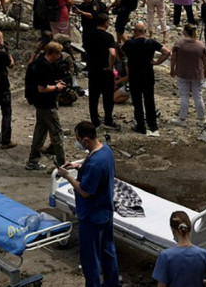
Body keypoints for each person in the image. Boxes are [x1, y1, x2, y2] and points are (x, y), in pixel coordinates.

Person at [56, 121, 119, 287]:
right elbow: (92, 163)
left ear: (85, 139)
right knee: (108, 251)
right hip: (105, 211)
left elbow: (84, 191)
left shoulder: (95, 164)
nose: (77, 142)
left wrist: (68, 176)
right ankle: (112, 283)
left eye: (78, 139)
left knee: (90, 258)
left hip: (91, 216)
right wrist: (79, 165)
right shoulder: (105, 151)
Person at [26, 41, 68, 171]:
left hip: (40, 104)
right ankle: (62, 165)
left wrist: (55, 82)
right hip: (47, 104)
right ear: (53, 53)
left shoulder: (40, 61)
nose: (60, 56)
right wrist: (57, 87)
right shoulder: (45, 66)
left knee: (40, 132)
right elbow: (42, 88)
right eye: (58, 53)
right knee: (57, 134)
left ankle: (32, 161)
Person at [123, 22, 169, 136]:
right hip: (148, 73)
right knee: (149, 99)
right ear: (145, 31)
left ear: (134, 31)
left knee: (137, 100)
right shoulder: (151, 42)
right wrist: (157, 62)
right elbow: (167, 52)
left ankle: (140, 125)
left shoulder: (129, 43)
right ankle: (152, 124)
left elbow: (122, 51)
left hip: (134, 75)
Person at [152, 210, 206, 287]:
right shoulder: (204, 254)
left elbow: (161, 285)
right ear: (190, 229)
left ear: (173, 231)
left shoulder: (165, 256)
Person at [83, 14, 118, 130]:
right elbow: (112, 53)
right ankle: (108, 120)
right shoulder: (108, 37)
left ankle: (95, 121)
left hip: (93, 69)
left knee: (93, 97)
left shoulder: (88, 35)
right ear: (106, 22)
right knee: (108, 96)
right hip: (104, 69)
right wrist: (111, 66)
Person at [170, 24, 206, 126]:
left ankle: (182, 119)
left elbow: (173, 58)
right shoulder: (200, 45)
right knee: (198, 96)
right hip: (197, 74)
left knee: (184, 96)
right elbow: (205, 60)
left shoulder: (179, 44)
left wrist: (172, 69)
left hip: (182, 73)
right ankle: (202, 119)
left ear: (185, 31)